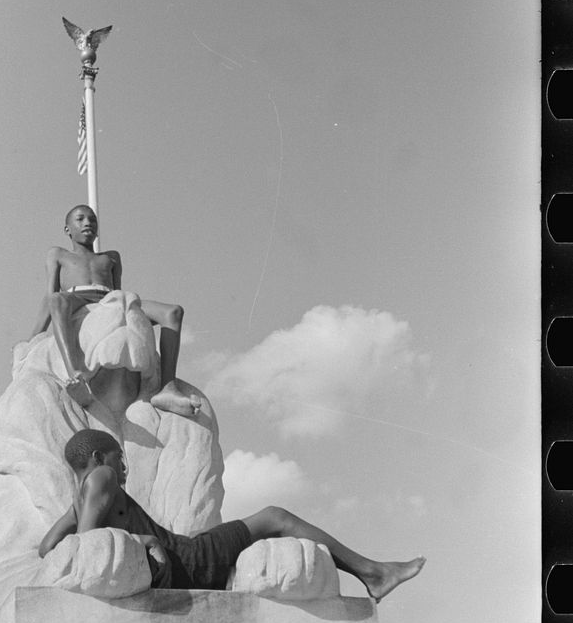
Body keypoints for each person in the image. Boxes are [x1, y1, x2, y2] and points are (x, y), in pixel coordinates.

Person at [39, 429, 426, 601]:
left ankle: (374, 573)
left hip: (179, 563)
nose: (123, 469)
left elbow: (47, 548)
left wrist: (132, 539)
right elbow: (91, 547)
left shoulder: (79, 501)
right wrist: (143, 539)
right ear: (96, 459)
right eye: (119, 460)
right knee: (275, 517)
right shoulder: (101, 479)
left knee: (271, 521)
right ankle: (373, 573)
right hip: (186, 558)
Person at [29, 204, 201, 417]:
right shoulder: (58, 254)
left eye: (92, 220)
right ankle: (75, 375)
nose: (87, 223)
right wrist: (33, 338)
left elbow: (119, 293)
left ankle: (168, 388)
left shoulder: (111, 257)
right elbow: (50, 295)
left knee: (173, 312)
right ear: (67, 229)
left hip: (109, 299)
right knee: (57, 299)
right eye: (80, 219)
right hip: (76, 298)